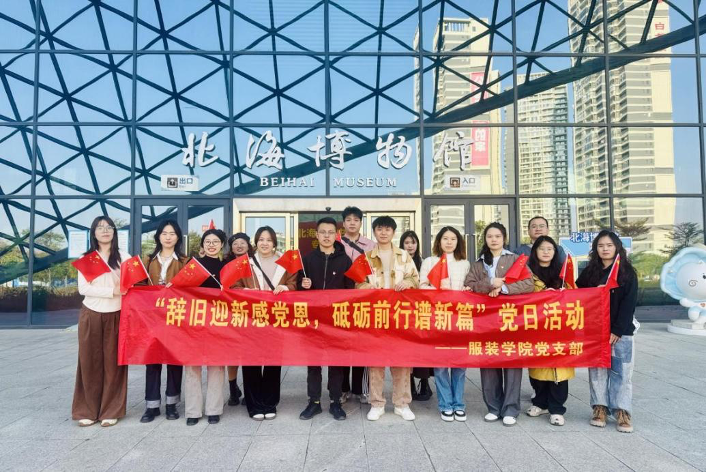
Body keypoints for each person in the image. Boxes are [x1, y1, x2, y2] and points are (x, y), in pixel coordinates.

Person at [464, 222, 533, 426]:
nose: (493, 239)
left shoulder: (515, 259)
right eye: (489, 236)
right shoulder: (478, 263)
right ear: (485, 239)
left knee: (511, 363)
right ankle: (493, 407)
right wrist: (490, 284)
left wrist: (503, 288)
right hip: (486, 321)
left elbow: (528, 283)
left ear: (504, 239)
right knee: (489, 362)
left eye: (497, 236)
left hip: (510, 319)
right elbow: (469, 285)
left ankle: (510, 408)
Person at [356, 216, 419, 421]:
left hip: (400, 315)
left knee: (402, 361)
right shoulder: (365, 257)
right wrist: (367, 287)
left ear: (393, 232)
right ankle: (377, 403)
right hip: (376, 315)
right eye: (379, 229)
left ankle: (402, 403)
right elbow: (357, 283)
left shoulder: (404, 256)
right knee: (375, 362)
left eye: (387, 229)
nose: (383, 233)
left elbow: (415, 278)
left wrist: (408, 283)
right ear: (374, 232)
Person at [233, 226, 298, 420]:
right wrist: (247, 292)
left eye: (269, 240)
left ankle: (270, 403)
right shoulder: (245, 263)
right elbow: (234, 287)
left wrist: (285, 287)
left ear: (274, 243)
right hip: (251, 319)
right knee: (251, 363)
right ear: (256, 242)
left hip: (275, 319)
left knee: (273, 362)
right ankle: (254, 404)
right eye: (261, 239)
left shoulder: (285, 264)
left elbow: (294, 284)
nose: (265, 243)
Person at [576, 230, 638, 433]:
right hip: (595, 330)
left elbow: (629, 304)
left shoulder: (627, 272)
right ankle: (599, 408)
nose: (605, 249)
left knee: (622, 372)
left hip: (622, 332)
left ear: (617, 247)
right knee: (597, 370)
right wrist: (595, 291)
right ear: (596, 249)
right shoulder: (589, 272)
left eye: (609, 245)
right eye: (601, 245)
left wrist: (617, 330)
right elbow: (577, 294)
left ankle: (622, 411)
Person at [72, 216, 130, 427]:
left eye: (109, 227)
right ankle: (87, 410)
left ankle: (110, 410)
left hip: (117, 314)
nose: (105, 231)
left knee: (114, 364)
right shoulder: (87, 258)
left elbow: (132, 284)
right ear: (94, 233)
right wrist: (112, 291)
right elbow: (84, 289)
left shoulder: (124, 257)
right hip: (91, 314)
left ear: (114, 232)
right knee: (89, 362)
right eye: (100, 228)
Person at [298, 217, 354, 421]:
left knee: (336, 362)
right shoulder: (307, 259)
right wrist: (303, 285)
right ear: (317, 234)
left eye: (331, 232)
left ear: (336, 235)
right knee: (313, 362)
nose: (327, 236)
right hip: (313, 320)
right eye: (323, 232)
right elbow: (297, 290)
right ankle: (313, 402)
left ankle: (335, 402)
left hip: (336, 319)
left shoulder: (345, 260)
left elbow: (351, 290)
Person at [419, 226, 470, 422]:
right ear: (438, 241)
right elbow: (421, 287)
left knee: (460, 365)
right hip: (438, 318)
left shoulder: (464, 263)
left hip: (460, 319)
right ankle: (446, 404)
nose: (449, 242)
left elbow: (470, 286)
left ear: (458, 242)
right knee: (440, 366)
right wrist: (438, 289)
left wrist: (467, 290)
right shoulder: (429, 261)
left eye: (453, 239)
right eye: (445, 238)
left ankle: (459, 404)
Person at [140, 220, 188, 423]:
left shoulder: (185, 261)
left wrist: (177, 287)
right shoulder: (147, 260)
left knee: (174, 360)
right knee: (152, 361)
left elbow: (192, 288)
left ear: (178, 237)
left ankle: (171, 404)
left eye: (172, 233)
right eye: (164, 233)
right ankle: (151, 406)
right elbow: (138, 286)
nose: (168, 237)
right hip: (151, 318)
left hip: (176, 317)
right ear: (158, 236)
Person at [525, 236, 575, 427]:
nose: (546, 252)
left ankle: (557, 409)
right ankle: (540, 402)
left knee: (559, 369)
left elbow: (575, 296)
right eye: (542, 248)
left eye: (550, 249)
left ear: (555, 252)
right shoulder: (527, 273)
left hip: (559, 327)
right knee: (538, 367)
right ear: (535, 251)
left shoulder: (563, 273)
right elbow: (521, 297)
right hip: (536, 327)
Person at [184, 229, 227, 426]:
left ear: (222, 245)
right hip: (195, 320)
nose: (211, 245)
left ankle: (214, 410)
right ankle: (192, 411)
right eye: (207, 241)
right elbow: (182, 288)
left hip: (218, 321)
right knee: (192, 366)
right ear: (202, 245)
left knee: (216, 366)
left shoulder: (226, 266)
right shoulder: (193, 265)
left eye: (215, 241)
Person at [339, 206, 376, 404]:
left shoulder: (371, 245)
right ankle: (343, 388)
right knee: (342, 345)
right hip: (342, 302)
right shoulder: (336, 243)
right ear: (343, 223)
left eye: (356, 220)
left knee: (363, 345)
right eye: (348, 220)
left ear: (361, 223)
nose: (352, 223)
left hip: (364, 301)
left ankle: (361, 389)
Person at [400, 230, 433, 402]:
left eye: (413, 242)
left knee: (423, 351)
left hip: (422, 313)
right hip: (404, 313)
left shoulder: (425, 262)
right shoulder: (398, 263)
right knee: (407, 351)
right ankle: (410, 384)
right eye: (406, 243)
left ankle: (425, 383)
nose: (410, 246)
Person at [224, 232, 253, 407]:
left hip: (251, 315)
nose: (239, 246)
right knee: (232, 354)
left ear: (249, 245)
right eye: (235, 243)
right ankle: (233, 389)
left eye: (243, 243)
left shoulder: (255, 263)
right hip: (231, 314)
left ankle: (250, 391)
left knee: (249, 354)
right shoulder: (225, 264)